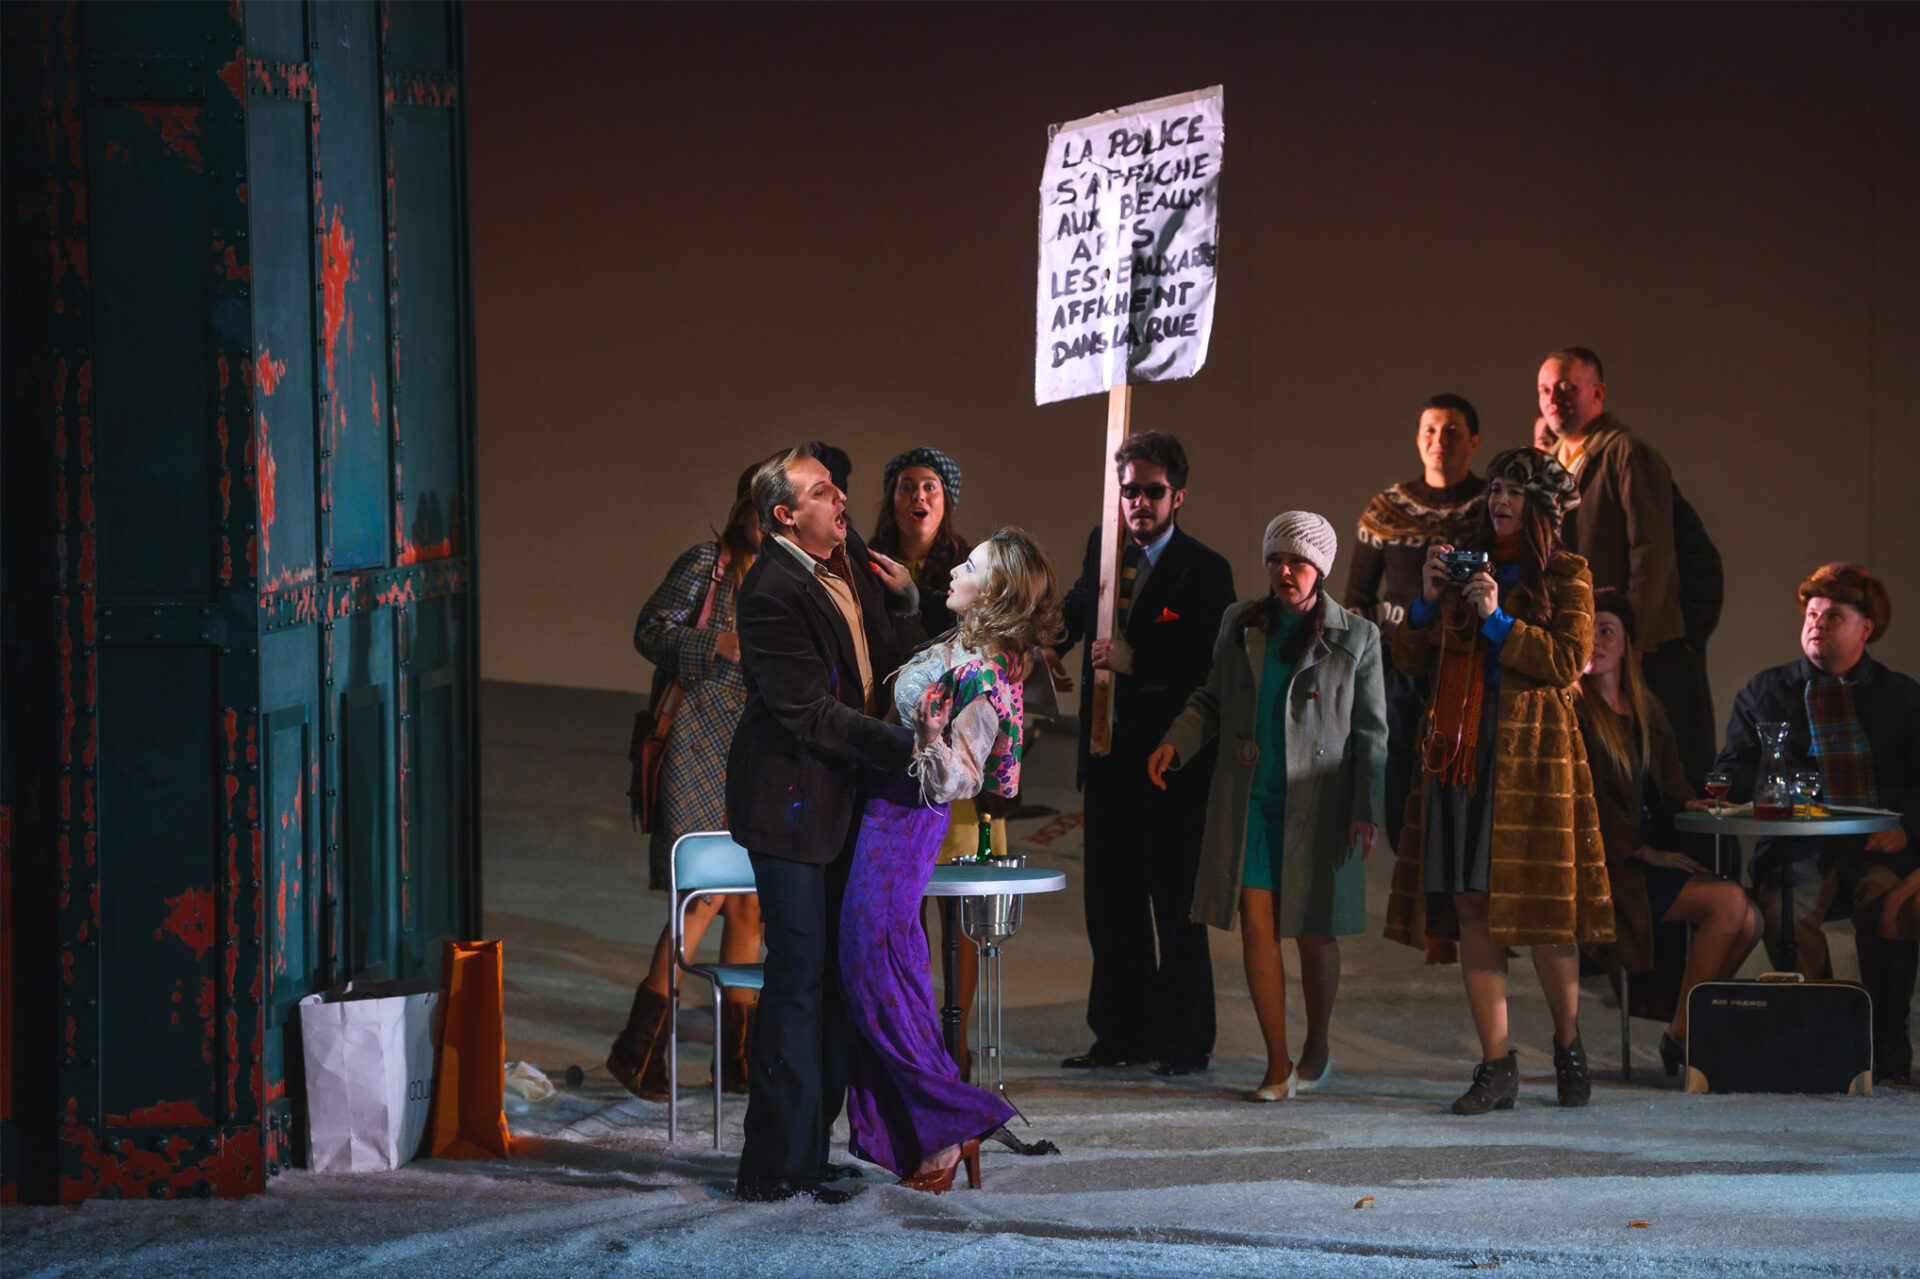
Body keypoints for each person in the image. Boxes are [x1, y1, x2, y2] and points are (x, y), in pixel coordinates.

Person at [1382, 446, 1614, 1113]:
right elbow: (1409, 659)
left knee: (1543, 911)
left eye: (1514, 491)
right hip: (1461, 744)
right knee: (1471, 904)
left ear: (1541, 508)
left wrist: (1499, 621)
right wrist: (1426, 603)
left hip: (1531, 756)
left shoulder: (1567, 574)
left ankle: (1568, 1045)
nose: (1499, 501)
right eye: (1496, 490)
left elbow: (1568, 660)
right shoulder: (1466, 564)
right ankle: (1496, 1062)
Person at [726, 446, 926, 1203]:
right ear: (785, 515)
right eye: (820, 491)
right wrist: (909, 749)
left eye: (836, 487)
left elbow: (889, 664)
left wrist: (906, 606)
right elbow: (808, 712)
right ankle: (775, 1165)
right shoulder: (771, 590)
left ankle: (811, 1151)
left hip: (845, 801)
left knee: (835, 981)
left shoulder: (849, 560)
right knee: (798, 981)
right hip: (791, 806)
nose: (840, 497)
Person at [840, 528, 1063, 1191]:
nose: (954, 571)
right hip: (882, 813)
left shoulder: (987, 676)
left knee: (874, 970)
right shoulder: (962, 646)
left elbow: (957, 780)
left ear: (993, 592)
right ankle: (942, 1129)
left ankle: (947, 1127)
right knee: (887, 972)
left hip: (904, 823)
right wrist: (909, 600)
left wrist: (932, 736)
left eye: (968, 567)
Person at [1152, 512, 1386, 1099]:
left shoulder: (1357, 636)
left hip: (1318, 801)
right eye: (1276, 559)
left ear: (1320, 569)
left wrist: (1366, 805)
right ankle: (1277, 1065)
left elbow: (1371, 733)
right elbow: (1211, 696)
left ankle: (1317, 1047)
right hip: (1250, 799)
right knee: (1258, 927)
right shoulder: (1241, 622)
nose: (1285, 571)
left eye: (1298, 561)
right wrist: (1177, 741)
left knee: (1313, 930)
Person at [1045, 431, 1236, 1076]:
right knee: (1111, 902)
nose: (1139, 502)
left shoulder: (1204, 570)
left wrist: (1138, 660)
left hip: (1169, 762)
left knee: (1176, 906)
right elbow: (1083, 601)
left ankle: (1185, 1041)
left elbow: (1210, 663)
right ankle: (1121, 1035)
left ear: (1178, 496)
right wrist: (1050, 642)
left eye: (1153, 491)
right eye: (1129, 490)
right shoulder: (1103, 544)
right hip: (1106, 755)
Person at [1705, 562, 1920, 1083]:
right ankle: (1826, 1033)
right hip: (1798, 848)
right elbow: (1733, 767)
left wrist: (1908, 827)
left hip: (1876, 848)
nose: (1817, 624)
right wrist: (1736, 785)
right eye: (1812, 615)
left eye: (1834, 616)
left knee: (1883, 903)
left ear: (1866, 628)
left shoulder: (1900, 696)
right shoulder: (1768, 690)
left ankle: (1887, 1037)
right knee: (1785, 912)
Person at [608, 461, 767, 1102]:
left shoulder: (786, 574)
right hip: (698, 752)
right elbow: (649, 630)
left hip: (753, 757)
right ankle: (639, 1049)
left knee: (751, 902)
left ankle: (738, 1059)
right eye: (760, 504)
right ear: (741, 507)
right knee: (701, 896)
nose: (769, 519)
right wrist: (714, 643)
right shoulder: (708, 563)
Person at [1575, 588, 1760, 1073]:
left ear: (1627, 646)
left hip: (1646, 858)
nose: (1594, 642)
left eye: (1606, 631)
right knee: (1729, 904)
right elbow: (1577, 805)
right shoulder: (1571, 711)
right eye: (1586, 631)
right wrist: (1642, 851)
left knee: (1752, 920)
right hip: (1606, 868)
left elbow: (1673, 782)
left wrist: (1695, 803)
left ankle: (1683, 1030)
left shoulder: (1645, 707)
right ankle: (1683, 1035)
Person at [866, 445, 1002, 1069]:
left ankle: (957, 1039)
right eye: (906, 485)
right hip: (889, 751)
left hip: (955, 761)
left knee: (960, 909)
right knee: (903, 905)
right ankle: (914, 1036)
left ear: (947, 502)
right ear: (890, 496)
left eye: (931, 487)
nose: (918, 497)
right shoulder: (865, 563)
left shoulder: (970, 570)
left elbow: (977, 650)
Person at [1538, 348, 1722, 787]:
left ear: (1597, 392)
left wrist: (1637, 636)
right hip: (1580, 641)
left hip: (1632, 645)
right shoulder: (1553, 461)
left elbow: (1651, 552)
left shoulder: (1627, 452)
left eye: (1566, 388)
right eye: (1544, 390)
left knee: (1650, 765)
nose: (1553, 399)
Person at [1344, 394, 1487, 852]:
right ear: (1417, 438)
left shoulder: (1492, 507)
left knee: (1467, 787)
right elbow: (1359, 597)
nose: (1439, 439)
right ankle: (1410, 877)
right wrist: (1367, 670)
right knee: (1402, 785)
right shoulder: (1387, 509)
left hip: (1471, 666)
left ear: (1474, 441)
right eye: (1430, 430)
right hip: (1400, 670)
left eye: (1452, 431)